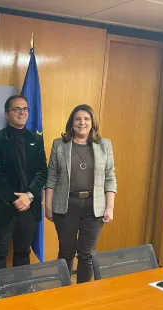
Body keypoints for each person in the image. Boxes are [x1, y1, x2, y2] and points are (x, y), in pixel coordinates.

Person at [45, 104, 117, 283]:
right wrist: (48, 205)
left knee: (87, 254)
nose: (82, 123)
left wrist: (110, 207)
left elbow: (110, 177)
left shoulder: (104, 145)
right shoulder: (59, 145)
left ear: (92, 123)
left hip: (94, 207)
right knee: (66, 253)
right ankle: (64, 295)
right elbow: (51, 176)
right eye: (77, 119)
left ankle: (82, 296)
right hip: (66, 205)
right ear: (71, 123)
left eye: (86, 119)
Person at [0, 95, 47, 269]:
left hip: (29, 207)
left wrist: (29, 196)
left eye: (25, 108)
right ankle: (0, 295)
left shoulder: (36, 139)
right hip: (2, 206)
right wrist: (16, 199)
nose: (22, 112)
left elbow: (42, 171)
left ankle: (22, 293)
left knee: (23, 252)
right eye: (16, 109)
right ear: (7, 114)